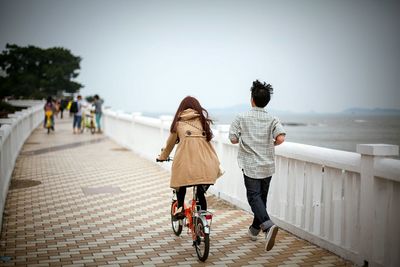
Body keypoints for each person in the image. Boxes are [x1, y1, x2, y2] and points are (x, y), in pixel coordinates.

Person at [229, 80, 286, 252]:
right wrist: (268, 145)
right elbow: (281, 138)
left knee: (254, 198)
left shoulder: (241, 117)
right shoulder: (272, 118)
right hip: (267, 165)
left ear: (252, 99)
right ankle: (254, 230)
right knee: (261, 199)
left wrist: (245, 140)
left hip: (250, 165)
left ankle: (268, 227)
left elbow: (232, 138)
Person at [157, 96, 222, 219]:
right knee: (200, 193)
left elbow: (169, 145)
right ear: (197, 108)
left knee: (180, 182)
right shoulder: (204, 123)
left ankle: (180, 207)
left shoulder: (178, 124)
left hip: (187, 166)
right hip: (209, 165)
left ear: (181, 109)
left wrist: (162, 157)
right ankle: (203, 221)